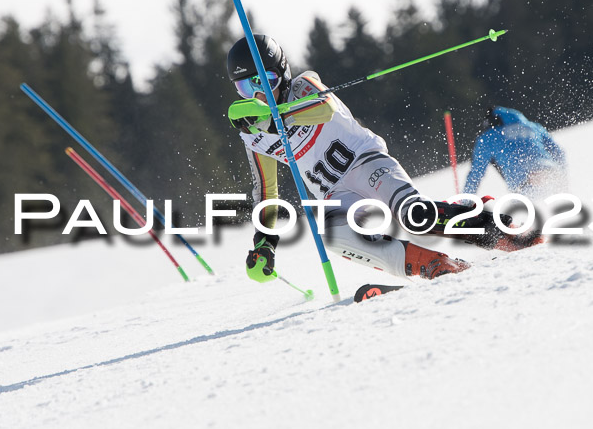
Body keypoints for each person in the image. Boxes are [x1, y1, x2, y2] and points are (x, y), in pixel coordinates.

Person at [225, 35, 539, 284]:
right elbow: (267, 193)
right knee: (334, 236)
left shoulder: (303, 85)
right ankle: (429, 263)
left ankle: (493, 226)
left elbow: (325, 108)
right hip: (336, 195)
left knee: (414, 216)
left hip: (367, 163)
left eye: (263, 81)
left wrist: (276, 116)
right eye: (245, 87)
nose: (258, 95)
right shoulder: (255, 135)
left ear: (281, 73)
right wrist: (264, 243)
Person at [463, 106, 567, 199]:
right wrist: (562, 175)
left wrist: (465, 203)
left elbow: (476, 174)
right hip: (552, 173)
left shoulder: (488, 137)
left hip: (525, 185)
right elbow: (559, 152)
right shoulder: (533, 127)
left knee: (522, 217)